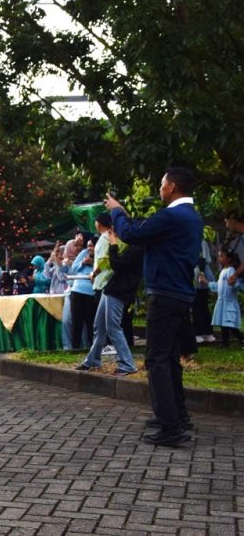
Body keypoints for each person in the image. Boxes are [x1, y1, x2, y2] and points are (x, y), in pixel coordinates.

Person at [106, 167, 203, 447]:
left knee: (156, 359)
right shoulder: (191, 217)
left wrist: (116, 211)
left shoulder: (172, 216)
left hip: (165, 293)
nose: (159, 189)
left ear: (172, 186)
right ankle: (177, 416)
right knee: (169, 357)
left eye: (161, 184)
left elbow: (131, 235)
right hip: (180, 294)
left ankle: (170, 427)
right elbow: (145, 230)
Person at [76, 230, 144, 375]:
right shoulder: (131, 247)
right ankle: (92, 360)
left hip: (119, 292)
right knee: (99, 326)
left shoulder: (136, 249)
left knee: (113, 327)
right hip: (111, 289)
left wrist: (113, 245)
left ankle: (127, 364)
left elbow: (116, 264)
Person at [65, 241, 96, 349]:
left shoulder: (100, 254)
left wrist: (92, 263)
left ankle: (92, 347)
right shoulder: (84, 253)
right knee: (76, 321)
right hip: (77, 289)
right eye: (88, 246)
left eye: (92, 246)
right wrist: (83, 262)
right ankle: (75, 348)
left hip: (91, 291)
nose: (89, 248)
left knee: (90, 321)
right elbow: (73, 268)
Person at [212, 248, 243, 348]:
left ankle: (242, 338)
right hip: (221, 302)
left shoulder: (231, 270)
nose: (219, 258)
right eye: (219, 256)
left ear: (228, 259)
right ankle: (225, 343)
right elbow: (218, 286)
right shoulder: (222, 271)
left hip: (229, 301)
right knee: (223, 323)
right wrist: (208, 284)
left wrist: (234, 284)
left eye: (222, 256)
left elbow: (236, 284)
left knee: (229, 324)